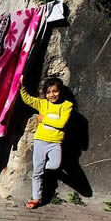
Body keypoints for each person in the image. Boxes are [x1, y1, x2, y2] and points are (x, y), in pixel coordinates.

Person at [19, 74, 73, 208]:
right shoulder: (43, 104)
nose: (52, 95)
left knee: (54, 165)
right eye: (48, 92)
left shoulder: (67, 106)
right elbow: (27, 100)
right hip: (40, 141)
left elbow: (61, 123)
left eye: (55, 91)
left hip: (55, 143)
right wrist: (21, 86)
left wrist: (43, 119)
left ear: (60, 91)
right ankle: (36, 198)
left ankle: (44, 172)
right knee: (37, 172)